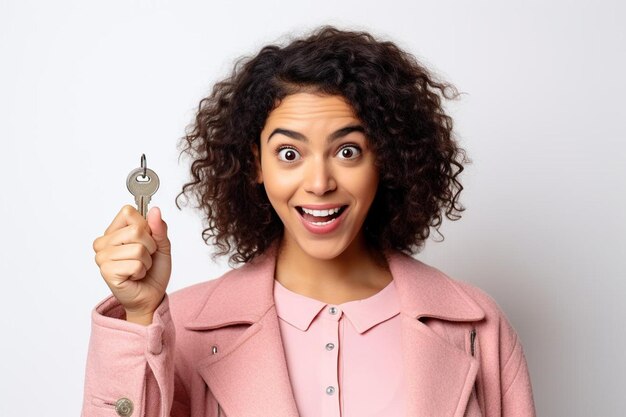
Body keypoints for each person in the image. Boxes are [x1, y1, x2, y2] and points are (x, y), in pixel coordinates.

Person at [82, 25, 536, 417]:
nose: (319, 183)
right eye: (289, 153)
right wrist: (140, 317)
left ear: (386, 159)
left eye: (347, 151)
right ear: (256, 163)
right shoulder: (180, 326)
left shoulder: (476, 327)